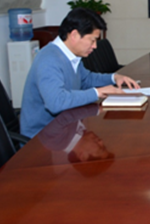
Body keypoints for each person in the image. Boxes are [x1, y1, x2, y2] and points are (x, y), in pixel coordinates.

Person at [20, 8, 139, 138]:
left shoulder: (70, 55)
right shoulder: (49, 59)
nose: (95, 46)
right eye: (92, 40)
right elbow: (56, 102)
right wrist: (97, 92)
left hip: (65, 128)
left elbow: (86, 79)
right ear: (74, 35)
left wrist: (114, 77)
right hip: (42, 139)